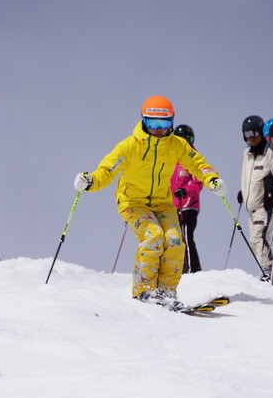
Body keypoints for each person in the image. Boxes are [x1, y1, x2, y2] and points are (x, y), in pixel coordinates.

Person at [73, 96, 226, 308]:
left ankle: (167, 292)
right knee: (153, 236)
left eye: (165, 124)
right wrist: (90, 181)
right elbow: (107, 171)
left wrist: (212, 179)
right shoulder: (129, 147)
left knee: (174, 240)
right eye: (153, 123)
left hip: (162, 202)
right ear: (143, 121)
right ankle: (144, 290)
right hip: (133, 202)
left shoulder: (176, 145)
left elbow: (198, 164)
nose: (159, 129)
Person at [238, 115, 273, 285]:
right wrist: (244, 191)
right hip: (252, 206)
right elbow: (249, 176)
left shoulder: (270, 152)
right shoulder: (247, 153)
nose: (252, 137)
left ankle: (269, 272)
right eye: (247, 133)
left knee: (260, 238)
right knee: (255, 241)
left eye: (255, 132)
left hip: (267, 205)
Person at [170, 124, 204, 273]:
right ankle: (179, 269)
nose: (183, 143)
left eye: (186, 139)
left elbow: (199, 180)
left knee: (186, 236)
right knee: (175, 238)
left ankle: (193, 270)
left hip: (189, 205)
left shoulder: (193, 157)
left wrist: (185, 191)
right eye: (180, 139)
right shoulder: (171, 158)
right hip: (173, 205)